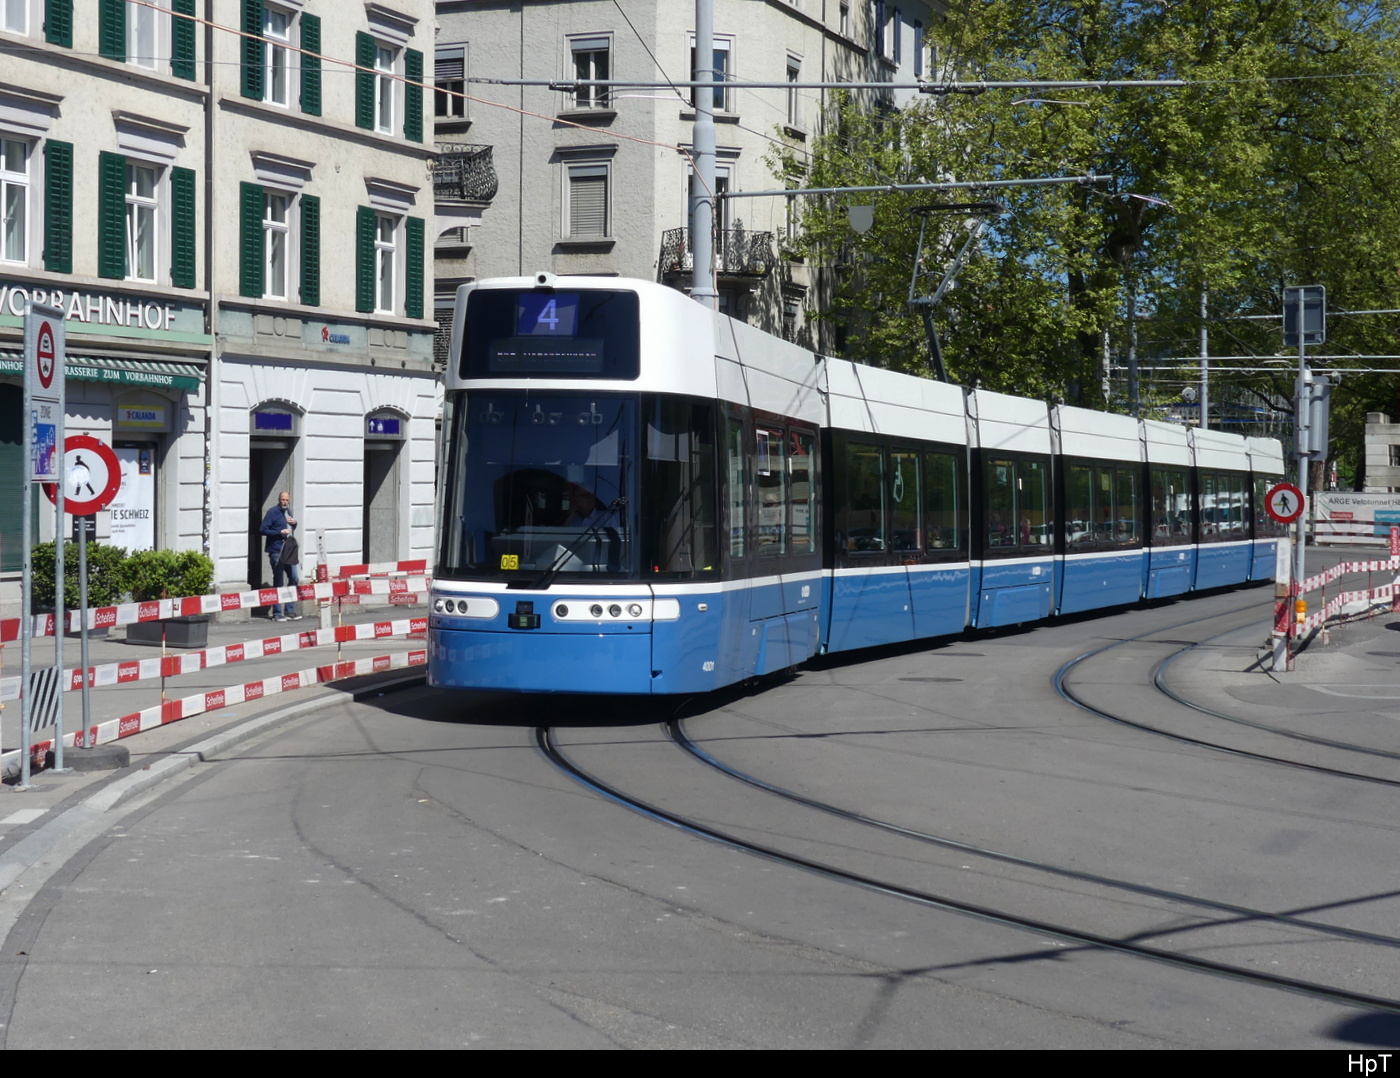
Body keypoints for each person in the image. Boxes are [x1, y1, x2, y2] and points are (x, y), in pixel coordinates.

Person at [259, 491, 302, 621]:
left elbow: (291, 528)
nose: (285, 502)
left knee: (294, 578)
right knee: (278, 581)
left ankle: (289, 610)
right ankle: (277, 613)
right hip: (277, 550)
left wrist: (294, 523)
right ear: (279, 500)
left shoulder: (289, 512)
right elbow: (262, 529)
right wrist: (279, 532)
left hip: (288, 550)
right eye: (283, 500)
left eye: (287, 500)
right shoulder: (273, 512)